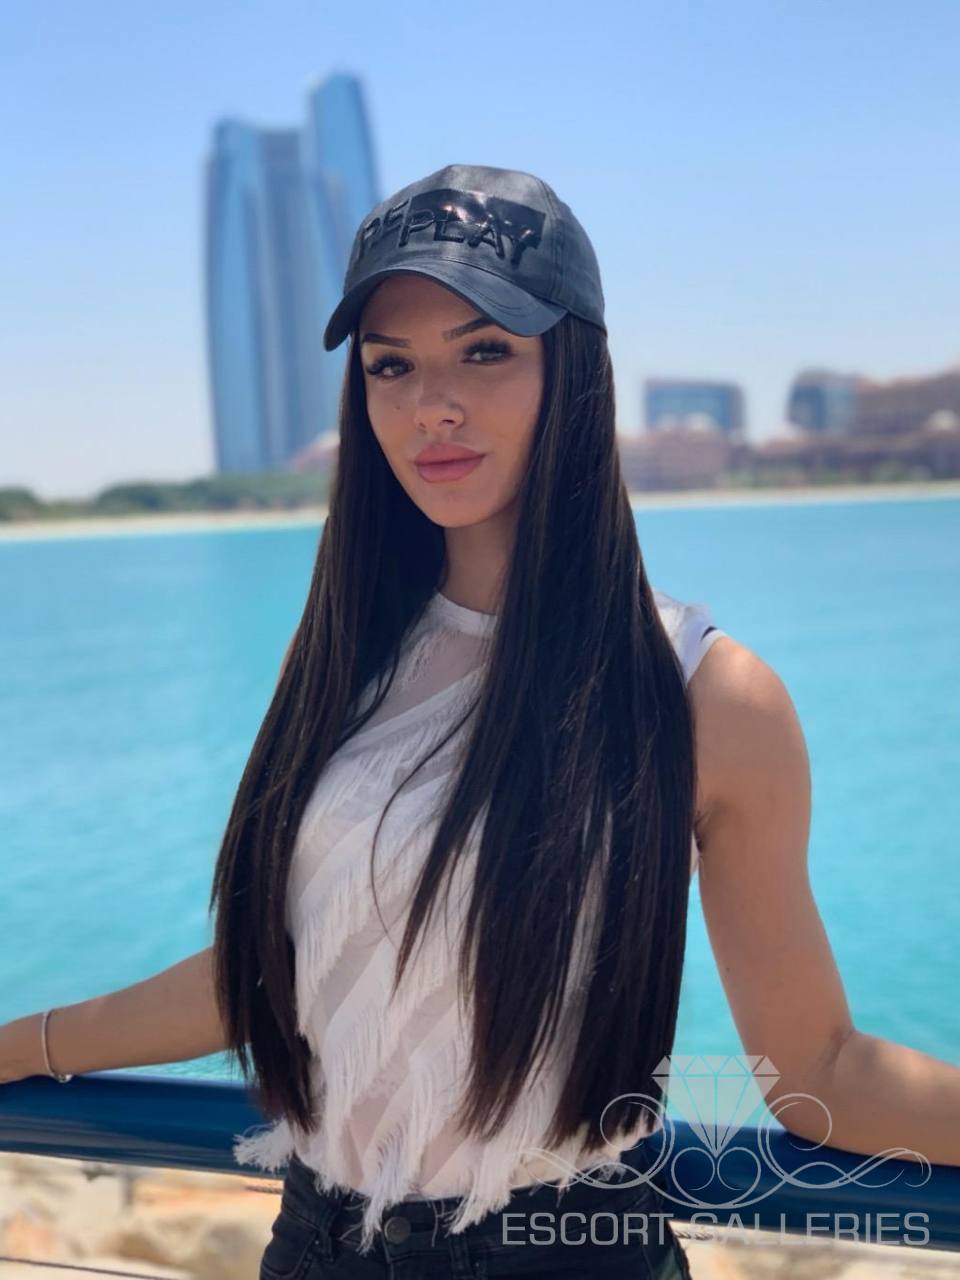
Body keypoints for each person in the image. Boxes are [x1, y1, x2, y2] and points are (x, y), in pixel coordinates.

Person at [3, 164, 959, 1280]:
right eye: (391, 365)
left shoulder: (699, 693)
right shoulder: (351, 656)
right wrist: (27, 1043)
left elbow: (820, 1068)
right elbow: (285, 969)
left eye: (485, 351)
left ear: (575, 370)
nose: (432, 407)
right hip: (315, 1246)